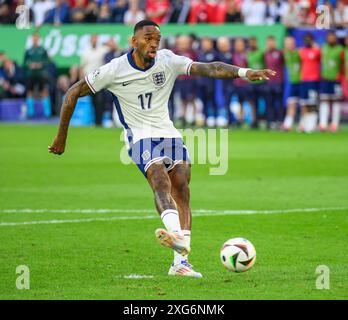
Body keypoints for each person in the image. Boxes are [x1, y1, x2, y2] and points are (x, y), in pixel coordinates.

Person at [48, 20, 275, 278]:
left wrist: (246, 73)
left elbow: (211, 68)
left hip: (169, 133)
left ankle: (180, 262)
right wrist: (61, 137)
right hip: (140, 136)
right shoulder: (114, 70)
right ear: (134, 41)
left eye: (157, 38)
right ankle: (178, 237)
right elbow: (71, 94)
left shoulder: (167, 60)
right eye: (147, 38)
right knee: (158, 178)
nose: (154, 42)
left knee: (182, 187)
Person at [80, 34, 109, 126]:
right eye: (93, 39)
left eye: (95, 39)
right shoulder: (85, 52)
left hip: (99, 80)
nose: (94, 41)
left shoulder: (103, 50)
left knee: (99, 101)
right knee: (91, 102)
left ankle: (98, 122)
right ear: (90, 40)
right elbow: (82, 67)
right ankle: (92, 121)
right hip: (88, 80)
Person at [319, 31, 344, 132]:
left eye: (332, 37)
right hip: (325, 78)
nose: (331, 39)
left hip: (336, 79)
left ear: (336, 38)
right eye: (329, 37)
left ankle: (334, 124)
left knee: (336, 101)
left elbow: (343, 64)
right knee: (324, 100)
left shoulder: (340, 49)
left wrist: (341, 76)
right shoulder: (323, 48)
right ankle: (323, 124)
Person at [23, 32, 51, 118]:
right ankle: (30, 113)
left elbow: (47, 61)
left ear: (39, 39)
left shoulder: (43, 50)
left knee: (44, 91)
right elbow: (24, 63)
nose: (35, 39)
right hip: (31, 74)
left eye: (37, 38)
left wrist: (40, 64)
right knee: (30, 92)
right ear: (32, 39)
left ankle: (47, 113)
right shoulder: (28, 51)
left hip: (40, 74)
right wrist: (30, 65)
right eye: (34, 38)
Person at [299, 33, 321, 133]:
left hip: (313, 80)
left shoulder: (317, 51)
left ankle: (311, 125)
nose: (307, 42)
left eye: (309, 40)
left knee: (312, 103)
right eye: (305, 40)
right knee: (304, 103)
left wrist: (316, 46)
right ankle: (304, 123)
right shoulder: (301, 51)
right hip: (304, 80)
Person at [264, 35, 284, 129]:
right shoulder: (265, 54)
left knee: (279, 103)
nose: (271, 44)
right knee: (269, 103)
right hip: (268, 82)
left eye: (272, 42)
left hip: (278, 81)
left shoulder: (280, 53)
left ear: (275, 43)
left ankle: (280, 121)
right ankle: (270, 122)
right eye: (269, 42)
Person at [282, 36, 301, 131]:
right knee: (291, 104)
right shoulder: (285, 54)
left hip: (302, 81)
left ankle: (304, 124)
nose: (288, 45)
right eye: (287, 43)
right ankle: (288, 124)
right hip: (292, 83)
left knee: (304, 104)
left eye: (290, 43)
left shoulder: (300, 53)